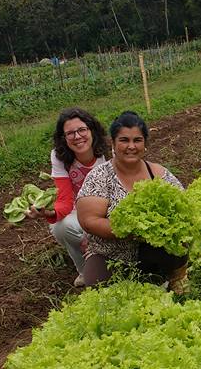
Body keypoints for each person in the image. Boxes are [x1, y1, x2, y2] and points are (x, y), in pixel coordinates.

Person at [76, 110, 188, 290]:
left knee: (175, 249)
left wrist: (159, 229)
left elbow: (183, 208)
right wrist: (129, 230)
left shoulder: (158, 173)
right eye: (124, 140)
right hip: (110, 252)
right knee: (98, 284)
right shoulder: (100, 176)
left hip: (152, 249)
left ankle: (171, 278)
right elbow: (89, 221)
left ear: (145, 144)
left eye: (137, 140)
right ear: (113, 143)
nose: (131, 146)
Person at [27, 108, 107, 286]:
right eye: (70, 133)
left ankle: (108, 258)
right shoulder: (60, 156)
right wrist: (47, 213)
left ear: (91, 130)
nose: (77, 137)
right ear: (64, 138)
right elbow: (64, 198)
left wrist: (92, 232)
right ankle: (85, 270)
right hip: (79, 209)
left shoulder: (108, 152)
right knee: (60, 227)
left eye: (82, 130)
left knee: (99, 234)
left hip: (109, 207)